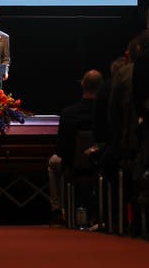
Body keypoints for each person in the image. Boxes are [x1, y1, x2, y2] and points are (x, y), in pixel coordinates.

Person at [47, 69, 104, 226]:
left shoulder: (68, 113)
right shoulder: (105, 113)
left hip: (74, 166)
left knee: (53, 163)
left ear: (82, 85)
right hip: (101, 164)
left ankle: (57, 210)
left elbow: (60, 149)